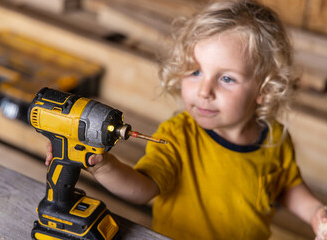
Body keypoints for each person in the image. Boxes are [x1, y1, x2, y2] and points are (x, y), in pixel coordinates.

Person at [46, 0, 327, 239]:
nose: (205, 91)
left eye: (227, 78)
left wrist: (316, 213)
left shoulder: (274, 138)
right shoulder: (178, 136)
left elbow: (286, 187)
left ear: (263, 91)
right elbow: (143, 188)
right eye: (195, 72)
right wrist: (104, 165)